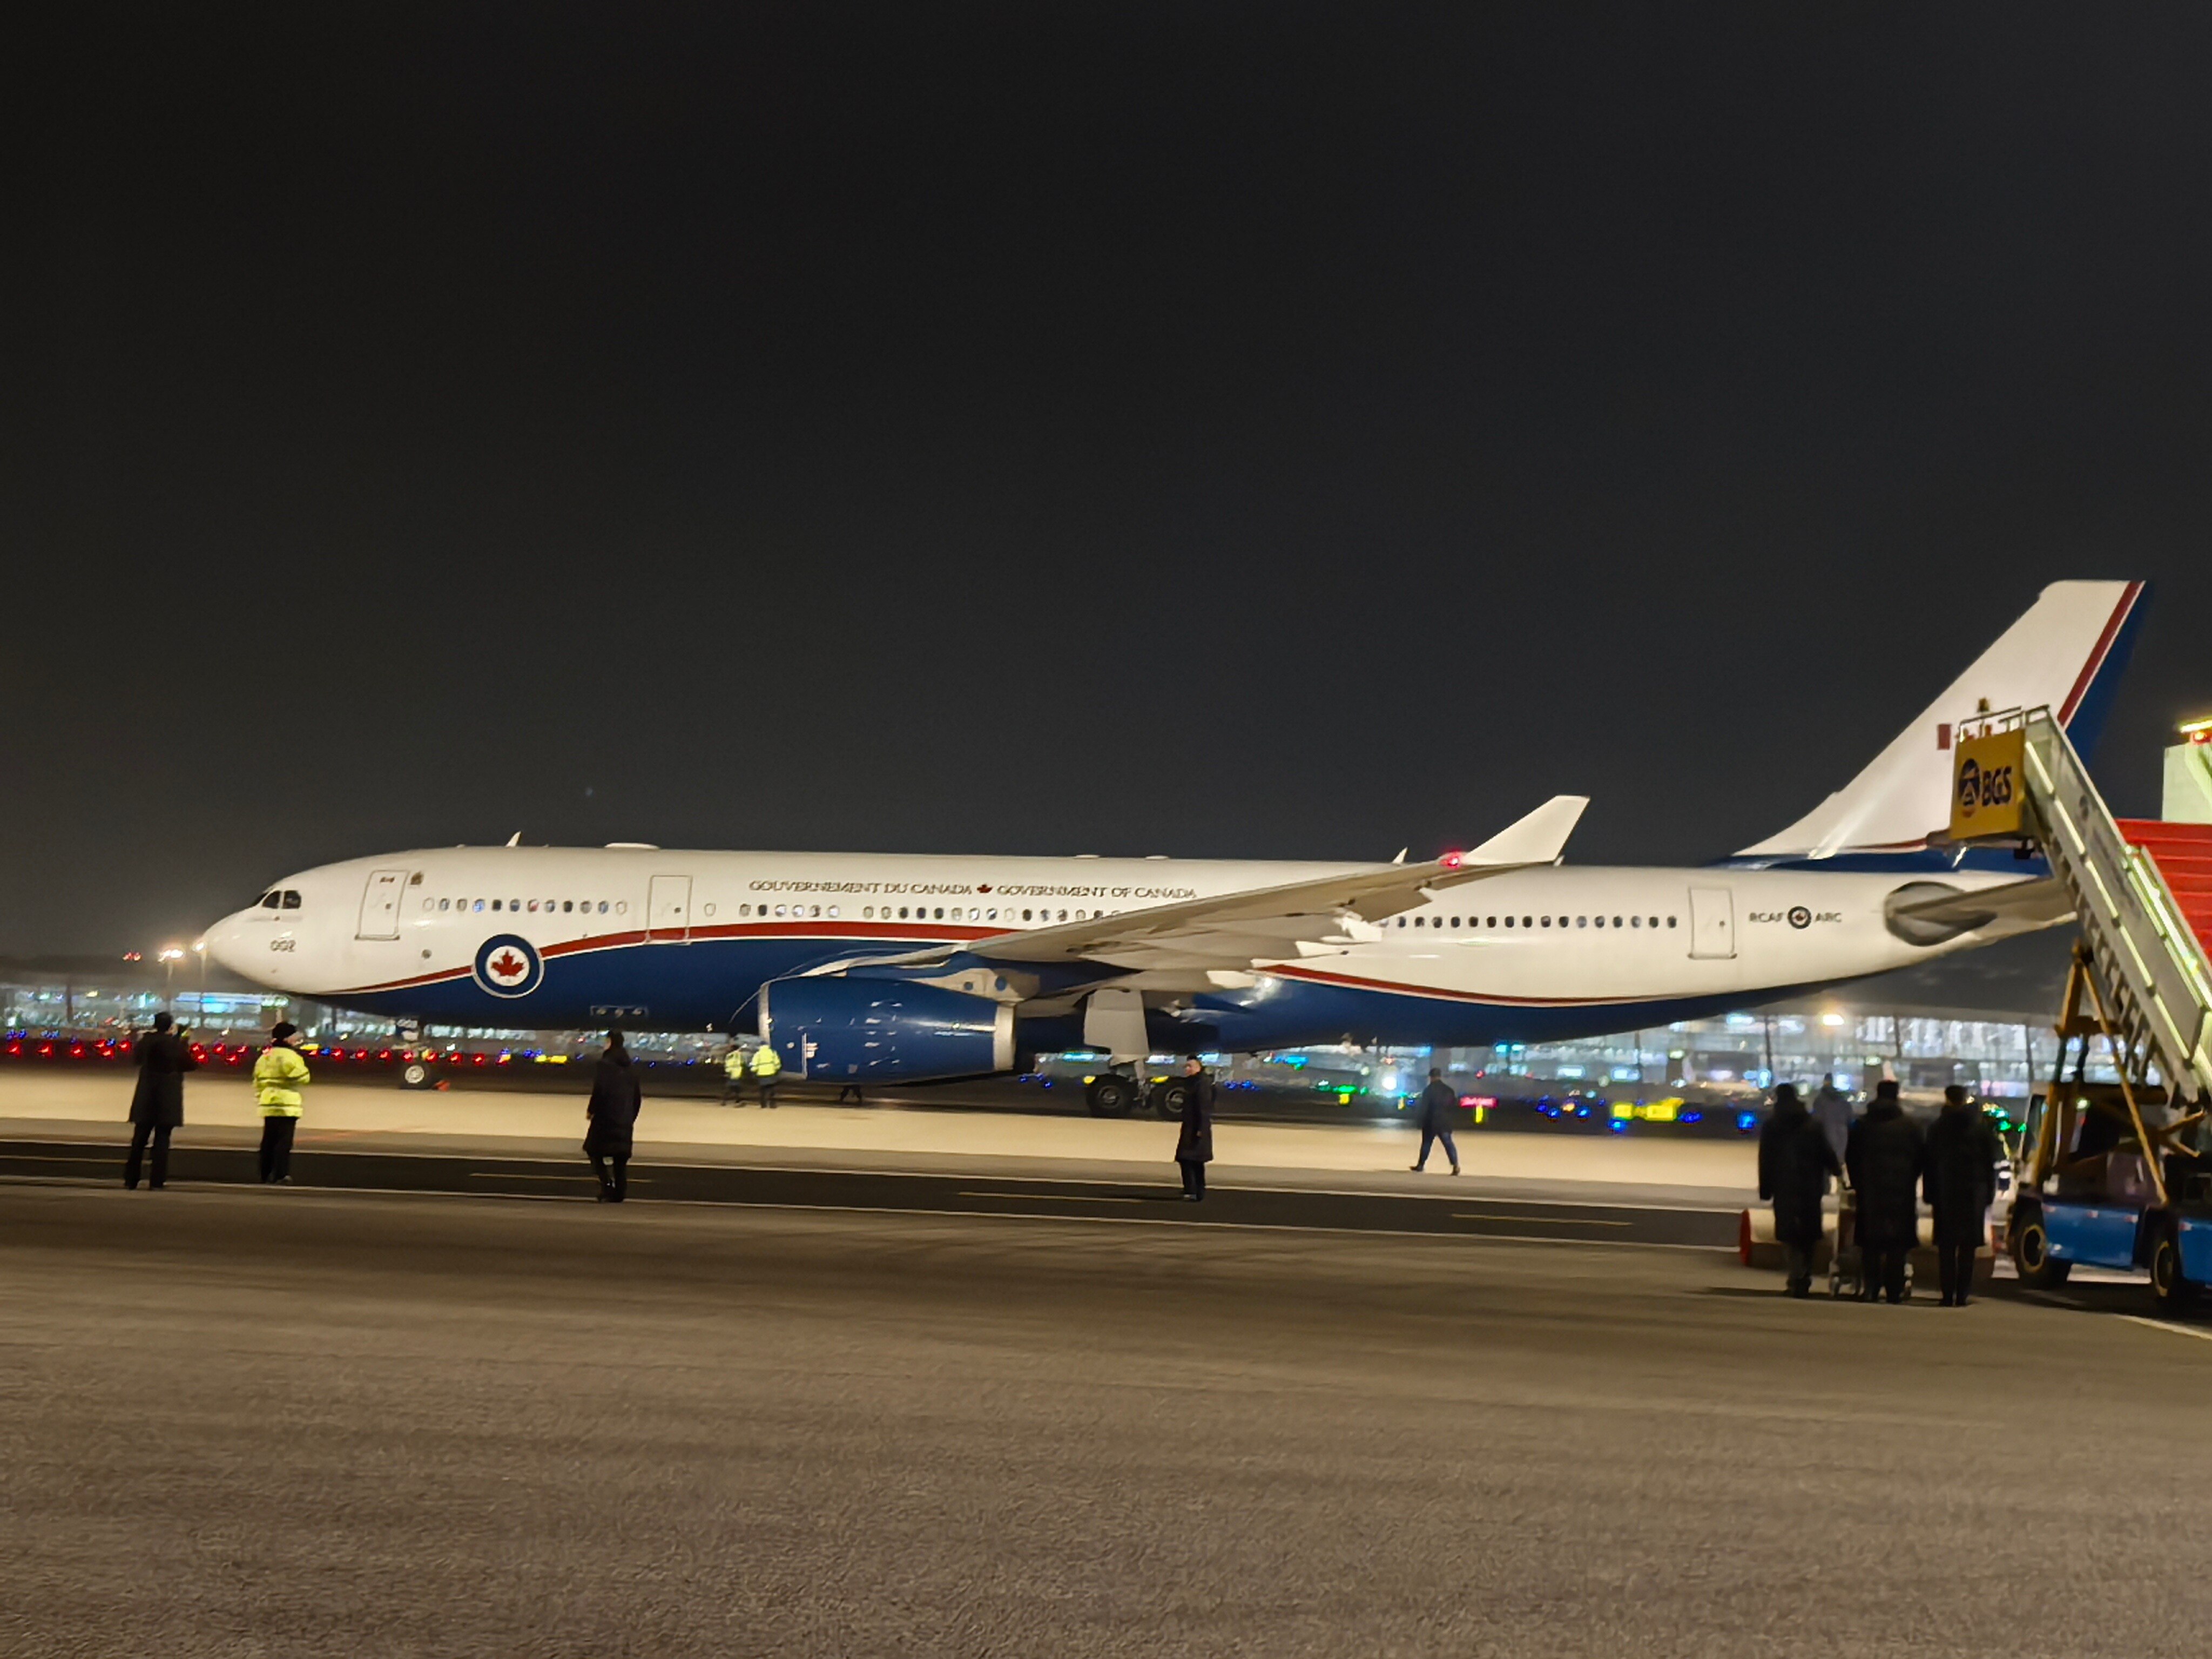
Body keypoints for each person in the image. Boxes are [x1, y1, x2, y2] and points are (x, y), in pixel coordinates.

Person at [1923, 1084, 2004, 1306]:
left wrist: (1929, 1193)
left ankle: (1947, 1294)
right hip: (1972, 1194)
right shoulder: (1979, 1130)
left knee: (1946, 1248)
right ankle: (1963, 1294)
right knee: (1968, 1248)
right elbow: (1990, 1164)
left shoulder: (1937, 1128)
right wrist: (1989, 1193)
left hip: (1945, 1192)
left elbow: (1929, 1164)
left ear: (1947, 1099)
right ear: (1965, 1100)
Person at [1845, 1078, 1925, 1303]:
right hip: (1901, 1193)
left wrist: (1858, 1182)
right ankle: (1894, 1290)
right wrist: (1910, 1179)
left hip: (1870, 1191)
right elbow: (1921, 1159)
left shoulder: (1862, 1125)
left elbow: (1851, 1157)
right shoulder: (1910, 1127)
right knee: (1897, 1245)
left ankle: (1871, 1288)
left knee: (1871, 1243)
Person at [1758, 1083, 1840, 1297]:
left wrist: (1766, 1188)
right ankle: (1805, 1275)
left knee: (1789, 1234)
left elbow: (1766, 1160)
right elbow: (1826, 1153)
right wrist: (1837, 1172)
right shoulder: (1812, 1125)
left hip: (1783, 1186)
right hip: (1811, 1186)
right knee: (1808, 1235)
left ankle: (1795, 1276)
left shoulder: (1772, 1126)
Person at [125, 1011, 198, 1190]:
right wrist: (181, 1042)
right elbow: (190, 1064)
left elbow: (137, 1059)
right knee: (162, 1142)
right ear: (170, 1026)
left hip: (146, 1096)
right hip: (167, 1098)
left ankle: (131, 1179)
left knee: (139, 1140)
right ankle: (157, 1181)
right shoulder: (172, 1045)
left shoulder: (146, 1042)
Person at [583, 1030, 643, 1202]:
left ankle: (606, 1185)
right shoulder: (631, 1068)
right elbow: (637, 1098)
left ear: (610, 1042)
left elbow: (600, 1091)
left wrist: (592, 1110)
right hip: (624, 1119)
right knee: (620, 1159)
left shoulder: (605, 1065)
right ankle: (620, 1193)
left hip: (606, 1119)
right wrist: (630, 1116)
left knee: (593, 1151)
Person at [252, 1022, 311, 1184]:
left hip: (268, 1104)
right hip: (286, 1105)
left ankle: (265, 1173)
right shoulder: (291, 1057)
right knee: (283, 1143)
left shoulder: (265, 1057)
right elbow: (303, 1077)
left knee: (268, 1141)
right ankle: (281, 1174)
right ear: (287, 1039)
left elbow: (257, 1081)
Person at [1174, 1056, 1215, 1201]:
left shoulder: (1201, 1084)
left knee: (1191, 1159)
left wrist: (1201, 1130)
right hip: (1191, 1127)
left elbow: (1203, 1109)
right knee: (1192, 1160)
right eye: (1186, 1066)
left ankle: (1194, 1190)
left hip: (1196, 1128)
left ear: (1199, 1068)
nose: (1187, 1069)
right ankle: (1194, 1190)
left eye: (1190, 1066)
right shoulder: (1193, 1083)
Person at [1410, 1068, 1462, 1175]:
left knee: (1427, 1144)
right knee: (1448, 1144)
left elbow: (1424, 1107)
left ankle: (1421, 1165)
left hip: (1431, 1122)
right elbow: (1454, 1105)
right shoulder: (1448, 1090)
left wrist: (1419, 1121)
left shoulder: (1429, 1090)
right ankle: (1455, 1165)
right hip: (1444, 1122)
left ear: (1431, 1077)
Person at [1811, 1073, 1853, 1169]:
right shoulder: (1842, 1100)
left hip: (1826, 1133)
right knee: (1840, 1160)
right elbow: (1849, 1118)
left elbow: (1816, 1119)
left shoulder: (1819, 1101)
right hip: (1842, 1133)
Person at [750, 1039, 782, 1109]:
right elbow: (777, 1063)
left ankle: (763, 1104)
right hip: (771, 1073)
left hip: (761, 1074)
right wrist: (776, 1070)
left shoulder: (758, 1054)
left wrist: (753, 1071)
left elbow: (754, 1064)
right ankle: (772, 1104)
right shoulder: (773, 1052)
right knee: (771, 1090)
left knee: (763, 1090)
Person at [721, 1040, 747, 1107]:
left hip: (730, 1072)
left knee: (732, 1087)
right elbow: (743, 1062)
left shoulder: (729, 1055)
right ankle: (736, 1101)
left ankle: (729, 1100)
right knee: (735, 1087)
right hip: (737, 1072)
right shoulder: (739, 1054)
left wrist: (727, 1072)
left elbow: (727, 1064)